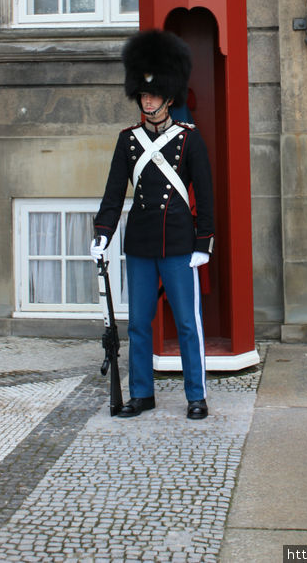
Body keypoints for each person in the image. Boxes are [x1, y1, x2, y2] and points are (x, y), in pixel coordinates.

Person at [90, 29, 214, 420]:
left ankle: (196, 394)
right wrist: (102, 234)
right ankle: (142, 393)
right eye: (143, 94)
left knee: (186, 324)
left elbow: (206, 195)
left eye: (154, 94)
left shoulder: (189, 139)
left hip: (179, 245)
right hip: (141, 244)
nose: (147, 99)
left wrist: (203, 244)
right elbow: (113, 194)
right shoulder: (128, 141)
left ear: (169, 97)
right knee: (140, 325)